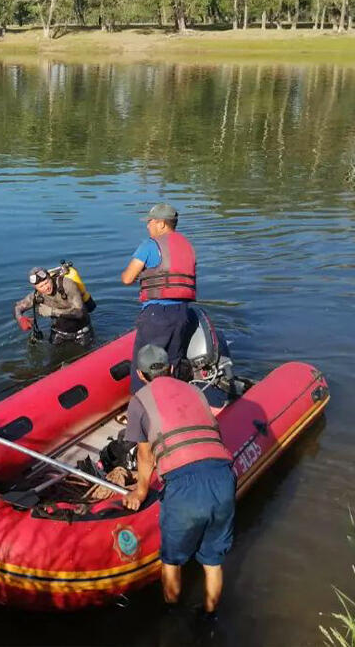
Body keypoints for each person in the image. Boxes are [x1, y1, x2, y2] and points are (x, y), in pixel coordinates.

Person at [122, 344, 235, 620]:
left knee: (172, 561)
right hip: (222, 476)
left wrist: (140, 491)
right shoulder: (195, 391)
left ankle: (172, 617)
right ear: (171, 368)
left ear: (140, 373)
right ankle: (210, 618)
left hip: (185, 485)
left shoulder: (139, 401)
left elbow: (145, 454)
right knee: (212, 562)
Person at [121, 202, 198, 393]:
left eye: (151, 221)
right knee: (173, 361)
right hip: (181, 314)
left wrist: (145, 274)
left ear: (162, 224)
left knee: (145, 363)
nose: (147, 225)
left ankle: (141, 410)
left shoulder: (150, 245)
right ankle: (172, 404)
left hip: (157, 314)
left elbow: (127, 278)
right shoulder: (187, 245)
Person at [13, 267, 94, 347]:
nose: (46, 287)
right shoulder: (37, 296)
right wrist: (20, 319)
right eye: (41, 286)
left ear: (50, 277)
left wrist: (51, 311)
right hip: (58, 332)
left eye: (46, 282)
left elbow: (79, 312)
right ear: (35, 288)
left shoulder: (67, 285)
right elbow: (18, 307)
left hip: (82, 331)